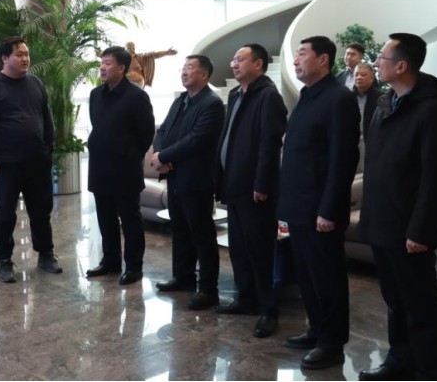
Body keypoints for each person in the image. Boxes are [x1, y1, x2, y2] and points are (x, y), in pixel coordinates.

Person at [357, 33, 437, 381]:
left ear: (402, 65)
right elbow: (375, 167)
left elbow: (434, 177)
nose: (376, 62)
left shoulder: (432, 109)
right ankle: (399, 360)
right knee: (394, 299)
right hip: (383, 221)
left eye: (382, 57)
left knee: (420, 303)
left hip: (410, 228)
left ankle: (430, 369)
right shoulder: (385, 103)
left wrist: (421, 230)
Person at [278, 36, 360, 370]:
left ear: (323, 59)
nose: (296, 60)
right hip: (299, 206)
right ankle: (316, 329)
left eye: (302, 54)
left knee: (327, 278)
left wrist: (328, 209)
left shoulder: (339, 98)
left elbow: (343, 159)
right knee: (307, 276)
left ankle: (332, 343)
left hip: (320, 210)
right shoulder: (308, 95)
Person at [0, 36, 62, 283]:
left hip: (37, 162)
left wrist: (48, 148)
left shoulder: (35, 83)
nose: (25, 59)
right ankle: (4, 260)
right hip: (6, 165)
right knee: (5, 215)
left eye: (27, 54)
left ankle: (46, 254)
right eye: (19, 54)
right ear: (5, 58)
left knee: (41, 212)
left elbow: (46, 118)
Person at [216, 44, 287, 338]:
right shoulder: (236, 94)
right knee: (239, 248)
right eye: (234, 59)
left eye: (240, 59)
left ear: (258, 64)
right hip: (233, 185)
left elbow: (269, 145)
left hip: (254, 189)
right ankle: (245, 299)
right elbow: (228, 138)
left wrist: (262, 183)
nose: (234, 64)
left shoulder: (268, 96)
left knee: (260, 251)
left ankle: (269, 310)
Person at [150, 55, 225, 310]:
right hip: (175, 176)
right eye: (183, 68)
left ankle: (208, 290)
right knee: (180, 230)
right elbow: (162, 131)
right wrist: (159, 154)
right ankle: (183, 277)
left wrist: (165, 157)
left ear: (204, 74)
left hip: (197, 179)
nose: (184, 72)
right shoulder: (180, 100)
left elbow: (197, 139)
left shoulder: (212, 103)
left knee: (202, 235)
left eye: (190, 68)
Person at [85, 46, 156, 285]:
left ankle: (134, 266)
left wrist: (130, 154)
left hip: (125, 168)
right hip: (100, 166)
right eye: (102, 63)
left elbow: (146, 133)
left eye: (108, 63)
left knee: (130, 219)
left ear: (122, 68)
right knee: (105, 217)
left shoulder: (137, 96)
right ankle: (111, 261)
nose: (102, 67)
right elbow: (97, 125)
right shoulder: (96, 94)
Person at [352, 62, 382, 141]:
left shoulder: (381, 98)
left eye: (363, 75)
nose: (359, 77)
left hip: (373, 140)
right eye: (356, 75)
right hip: (351, 140)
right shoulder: (347, 97)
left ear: (372, 78)